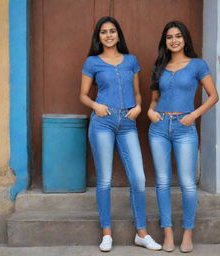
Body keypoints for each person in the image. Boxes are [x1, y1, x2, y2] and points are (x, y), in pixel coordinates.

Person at [80, 16, 161, 252]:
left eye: (112, 31)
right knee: (104, 180)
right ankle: (106, 234)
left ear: (118, 34)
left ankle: (142, 233)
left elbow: (137, 93)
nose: (108, 35)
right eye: (103, 32)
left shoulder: (131, 61)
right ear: (98, 37)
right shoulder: (92, 62)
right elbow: (83, 95)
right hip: (103, 121)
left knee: (139, 178)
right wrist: (95, 106)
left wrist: (138, 107)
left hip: (128, 122)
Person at [148, 21, 219, 253]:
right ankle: (167, 232)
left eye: (178, 36)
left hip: (184, 128)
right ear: (165, 41)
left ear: (185, 39)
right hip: (159, 128)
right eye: (169, 37)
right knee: (162, 182)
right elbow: (155, 101)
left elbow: (213, 95)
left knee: (188, 183)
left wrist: (194, 115)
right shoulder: (159, 65)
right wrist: (150, 111)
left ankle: (188, 233)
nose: (174, 40)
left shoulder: (198, 65)